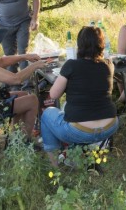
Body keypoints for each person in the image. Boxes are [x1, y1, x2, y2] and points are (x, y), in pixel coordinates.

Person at [41, 26, 119, 167]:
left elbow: (53, 94)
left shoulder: (71, 65)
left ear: (79, 45)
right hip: (110, 126)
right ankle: (91, 152)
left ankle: (55, 166)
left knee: (47, 114)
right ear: (101, 44)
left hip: (80, 131)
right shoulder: (108, 65)